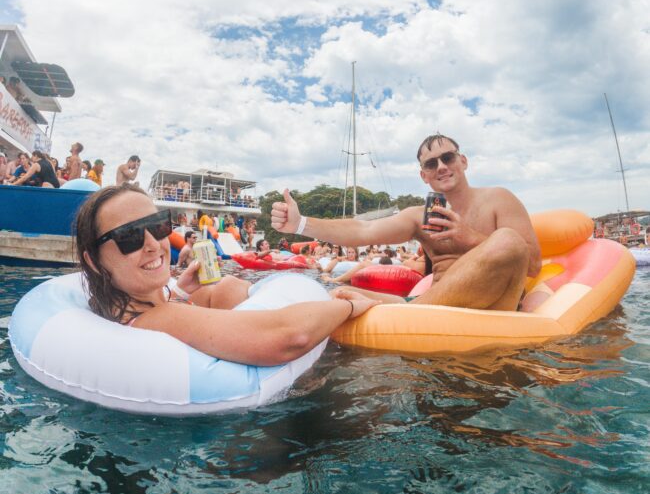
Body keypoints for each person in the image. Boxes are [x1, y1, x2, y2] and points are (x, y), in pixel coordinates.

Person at [75, 184, 377, 365]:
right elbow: (291, 336)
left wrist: (178, 291)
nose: (154, 245)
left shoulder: (133, 306)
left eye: (157, 226)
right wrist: (346, 306)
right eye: (129, 236)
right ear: (92, 260)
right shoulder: (156, 320)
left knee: (226, 286)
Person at [272, 133, 541, 311]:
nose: (441, 167)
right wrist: (299, 224)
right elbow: (364, 229)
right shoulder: (419, 216)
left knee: (508, 240)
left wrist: (469, 237)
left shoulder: (499, 199)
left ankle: (412, 312)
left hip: (488, 306)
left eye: (447, 158)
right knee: (340, 294)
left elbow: (531, 264)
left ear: (463, 161)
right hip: (433, 305)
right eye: (431, 164)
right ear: (424, 176)